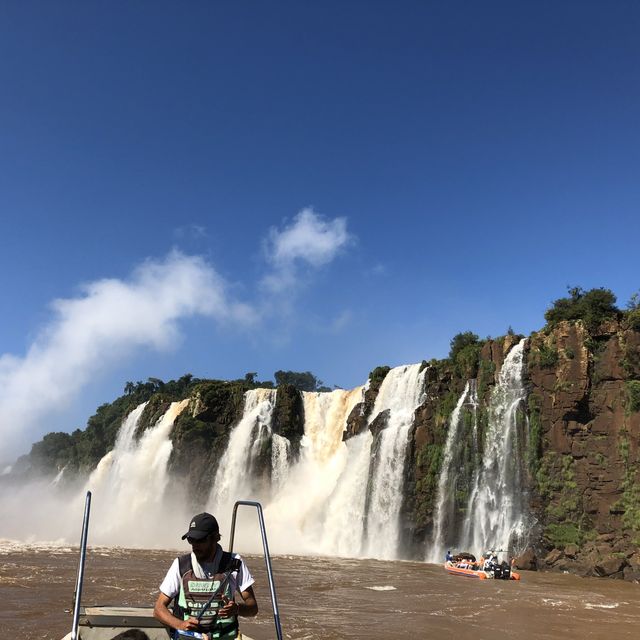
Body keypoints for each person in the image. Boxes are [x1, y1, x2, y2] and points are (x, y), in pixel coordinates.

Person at [153, 512, 258, 639]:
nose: (195, 545)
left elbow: (253, 608)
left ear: (215, 538)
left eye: (200, 540)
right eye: (191, 539)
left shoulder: (234, 563)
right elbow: (158, 609)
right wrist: (180, 624)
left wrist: (236, 609)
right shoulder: (180, 565)